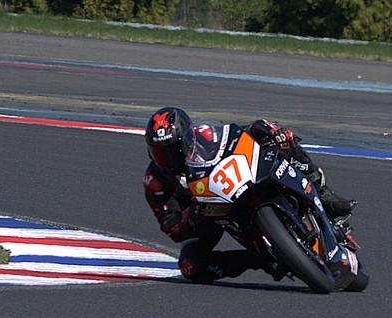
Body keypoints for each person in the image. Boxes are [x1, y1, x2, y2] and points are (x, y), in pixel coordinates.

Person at [142, 106, 356, 284]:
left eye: (174, 149)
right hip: (205, 218)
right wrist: (192, 215)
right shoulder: (155, 181)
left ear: (188, 137)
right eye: (160, 152)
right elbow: (171, 226)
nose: (169, 158)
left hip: (230, 184)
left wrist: (269, 131)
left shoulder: (204, 135)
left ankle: (323, 193)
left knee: (283, 143)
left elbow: (238, 133)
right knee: (191, 266)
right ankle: (258, 259)